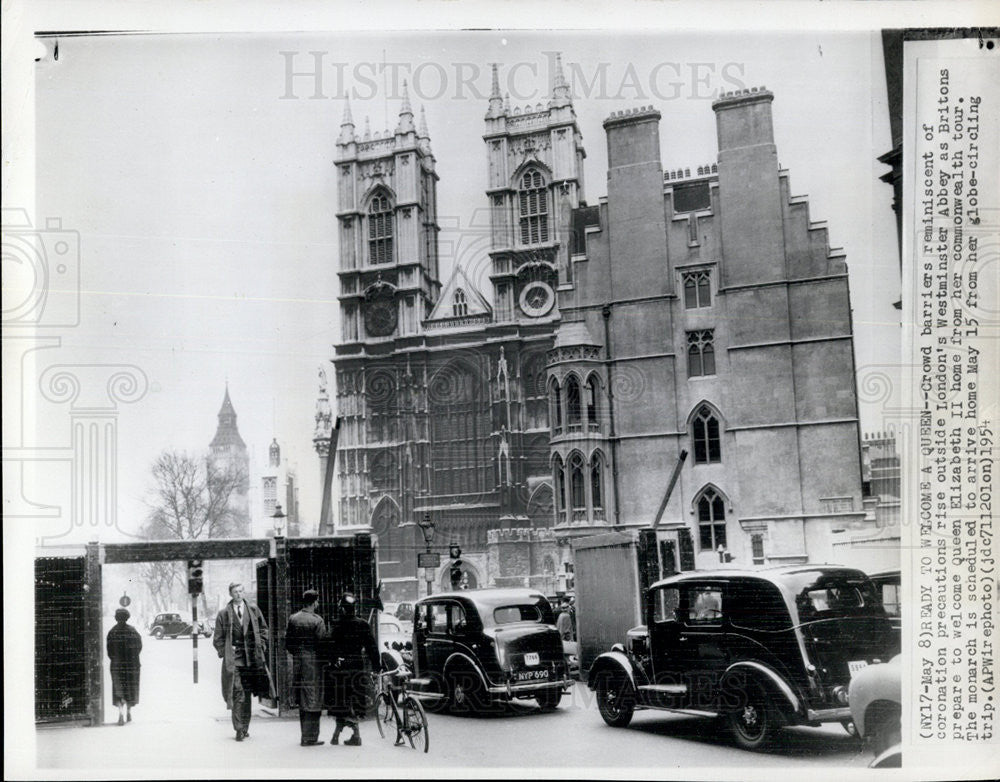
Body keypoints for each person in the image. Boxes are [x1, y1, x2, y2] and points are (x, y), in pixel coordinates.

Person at [213, 582, 275, 742]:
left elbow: (263, 629)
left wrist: (261, 644)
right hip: (234, 659)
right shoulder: (224, 614)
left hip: (251, 658)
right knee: (237, 692)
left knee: (247, 694)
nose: (239, 594)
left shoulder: (253, 609)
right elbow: (218, 638)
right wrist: (225, 652)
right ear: (230, 594)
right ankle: (239, 729)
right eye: (235, 592)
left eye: (241, 591)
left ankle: (245, 727)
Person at [323, 592, 379, 746]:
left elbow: (329, 646)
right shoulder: (363, 624)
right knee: (353, 701)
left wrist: (334, 659)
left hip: (341, 668)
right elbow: (372, 648)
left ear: (341, 608)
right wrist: (377, 667)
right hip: (356, 667)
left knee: (341, 701)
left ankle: (344, 734)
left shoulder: (336, 624)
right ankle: (351, 734)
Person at [286, 589, 327, 746]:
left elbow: (288, 643)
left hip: (298, 661)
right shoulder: (317, 620)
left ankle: (305, 735)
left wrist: (298, 654)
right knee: (314, 698)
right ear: (315, 602)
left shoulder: (293, 618)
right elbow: (322, 644)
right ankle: (311, 737)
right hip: (314, 662)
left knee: (303, 698)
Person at [106, 608, 142, 725]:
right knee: (130, 688)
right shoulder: (133, 631)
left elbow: (109, 651)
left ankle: (120, 713)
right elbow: (139, 648)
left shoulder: (112, 632)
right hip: (132, 665)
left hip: (117, 666)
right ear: (127, 617)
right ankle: (129, 712)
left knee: (119, 688)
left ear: (116, 618)